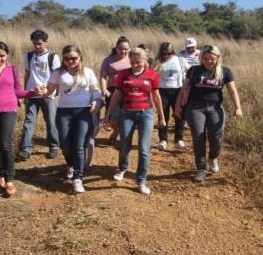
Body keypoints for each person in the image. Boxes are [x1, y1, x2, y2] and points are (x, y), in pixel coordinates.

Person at [0, 41, 44, 196]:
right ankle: (1, 175)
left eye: (2, 56)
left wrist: (32, 92)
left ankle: (10, 179)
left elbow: (18, 90)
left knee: (5, 143)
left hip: (8, 109)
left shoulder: (13, 70)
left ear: (7, 55)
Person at [103, 47, 166, 195]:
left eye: (138, 62)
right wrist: (108, 114)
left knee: (144, 149)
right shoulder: (123, 75)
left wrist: (162, 117)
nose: (135, 65)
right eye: (132, 62)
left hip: (146, 114)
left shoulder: (152, 75)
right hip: (127, 114)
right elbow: (117, 95)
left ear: (145, 61)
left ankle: (141, 180)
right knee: (125, 145)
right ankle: (123, 168)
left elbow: (156, 97)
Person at [175, 45, 242, 182]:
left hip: (215, 107)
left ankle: (212, 158)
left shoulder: (225, 71)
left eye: (211, 59)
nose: (208, 62)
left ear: (217, 58)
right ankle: (201, 168)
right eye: (205, 59)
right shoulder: (194, 70)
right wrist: (178, 107)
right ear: (201, 58)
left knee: (216, 137)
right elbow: (183, 89)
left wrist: (238, 107)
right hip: (195, 107)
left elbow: (232, 90)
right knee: (198, 138)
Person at [44, 45, 101, 193]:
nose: (70, 61)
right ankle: (70, 164)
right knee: (65, 142)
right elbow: (49, 90)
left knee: (80, 145)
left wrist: (96, 100)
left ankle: (78, 179)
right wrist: (40, 91)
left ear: (80, 57)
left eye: (74, 58)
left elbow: (95, 88)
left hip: (84, 111)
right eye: (67, 58)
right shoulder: (58, 73)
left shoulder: (87, 72)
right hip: (64, 111)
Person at [17, 30, 61, 161]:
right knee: (29, 122)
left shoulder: (53, 57)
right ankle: (25, 149)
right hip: (32, 94)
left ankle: (53, 146)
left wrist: (53, 92)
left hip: (49, 94)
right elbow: (27, 74)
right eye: (35, 43)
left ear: (46, 42)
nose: (37, 46)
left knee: (51, 121)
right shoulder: (29, 56)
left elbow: (56, 76)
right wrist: (25, 93)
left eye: (40, 44)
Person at [151, 42, 190, 151]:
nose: (167, 55)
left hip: (178, 90)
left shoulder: (180, 60)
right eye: (165, 53)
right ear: (161, 52)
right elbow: (150, 75)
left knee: (179, 115)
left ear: (173, 52)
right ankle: (163, 140)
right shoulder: (157, 62)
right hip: (162, 90)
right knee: (162, 115)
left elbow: (191, 72)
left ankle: (179, 140)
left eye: (170, 53)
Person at [99, 36, 131, 143]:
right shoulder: (109, 60)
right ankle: (116, 130)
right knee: (112, 117)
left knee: (126, 116)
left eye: (126, 49)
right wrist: (104, 90)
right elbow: (103, 76)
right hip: (112, 90)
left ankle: (123, 139)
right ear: (116, 48)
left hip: (128, 91)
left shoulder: (132, 59)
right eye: (121, 48)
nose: (123, 51)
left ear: (129, 49)